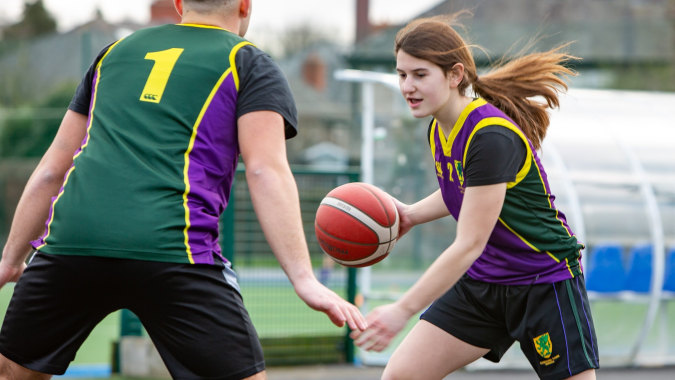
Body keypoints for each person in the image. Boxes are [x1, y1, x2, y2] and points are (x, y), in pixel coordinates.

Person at [0, 0, 366, 379]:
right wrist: (304, 279)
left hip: (72, 240)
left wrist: (11, 259)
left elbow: (51, 170)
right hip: (174, 248)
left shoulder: (113, 53)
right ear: (245, 4)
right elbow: (265, 171)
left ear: (178, 4)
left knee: (13, 372)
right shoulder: (248, 62)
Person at [351, 13, 599, 380]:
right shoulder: (440, 128)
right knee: (400, 375)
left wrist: (403, 309)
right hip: (485, 283)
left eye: (420, 75)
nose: (407, 86)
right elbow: (463, 191)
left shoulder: (490, 136)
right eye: (402, 74)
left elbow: (470, 242)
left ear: (454, 76)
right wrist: (409, 215)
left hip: (543, 281)